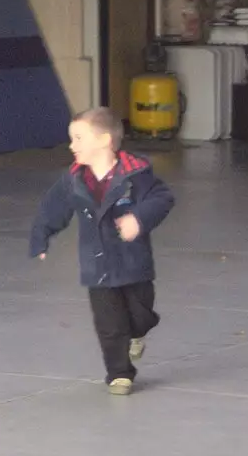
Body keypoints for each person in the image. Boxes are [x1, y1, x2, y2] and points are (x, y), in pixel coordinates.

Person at [30, 107, 175, 395]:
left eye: (79, 138)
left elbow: (162, 197)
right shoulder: (73, 179)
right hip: (96, 263)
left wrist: (139, 218)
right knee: (109, 325)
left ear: (104, 140)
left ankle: (138, 332)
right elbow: (52, 207)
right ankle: (119, 373)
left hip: (134, 262)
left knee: (140, 313)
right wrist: (41, 236)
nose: (72, 145)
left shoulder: (136, 174)